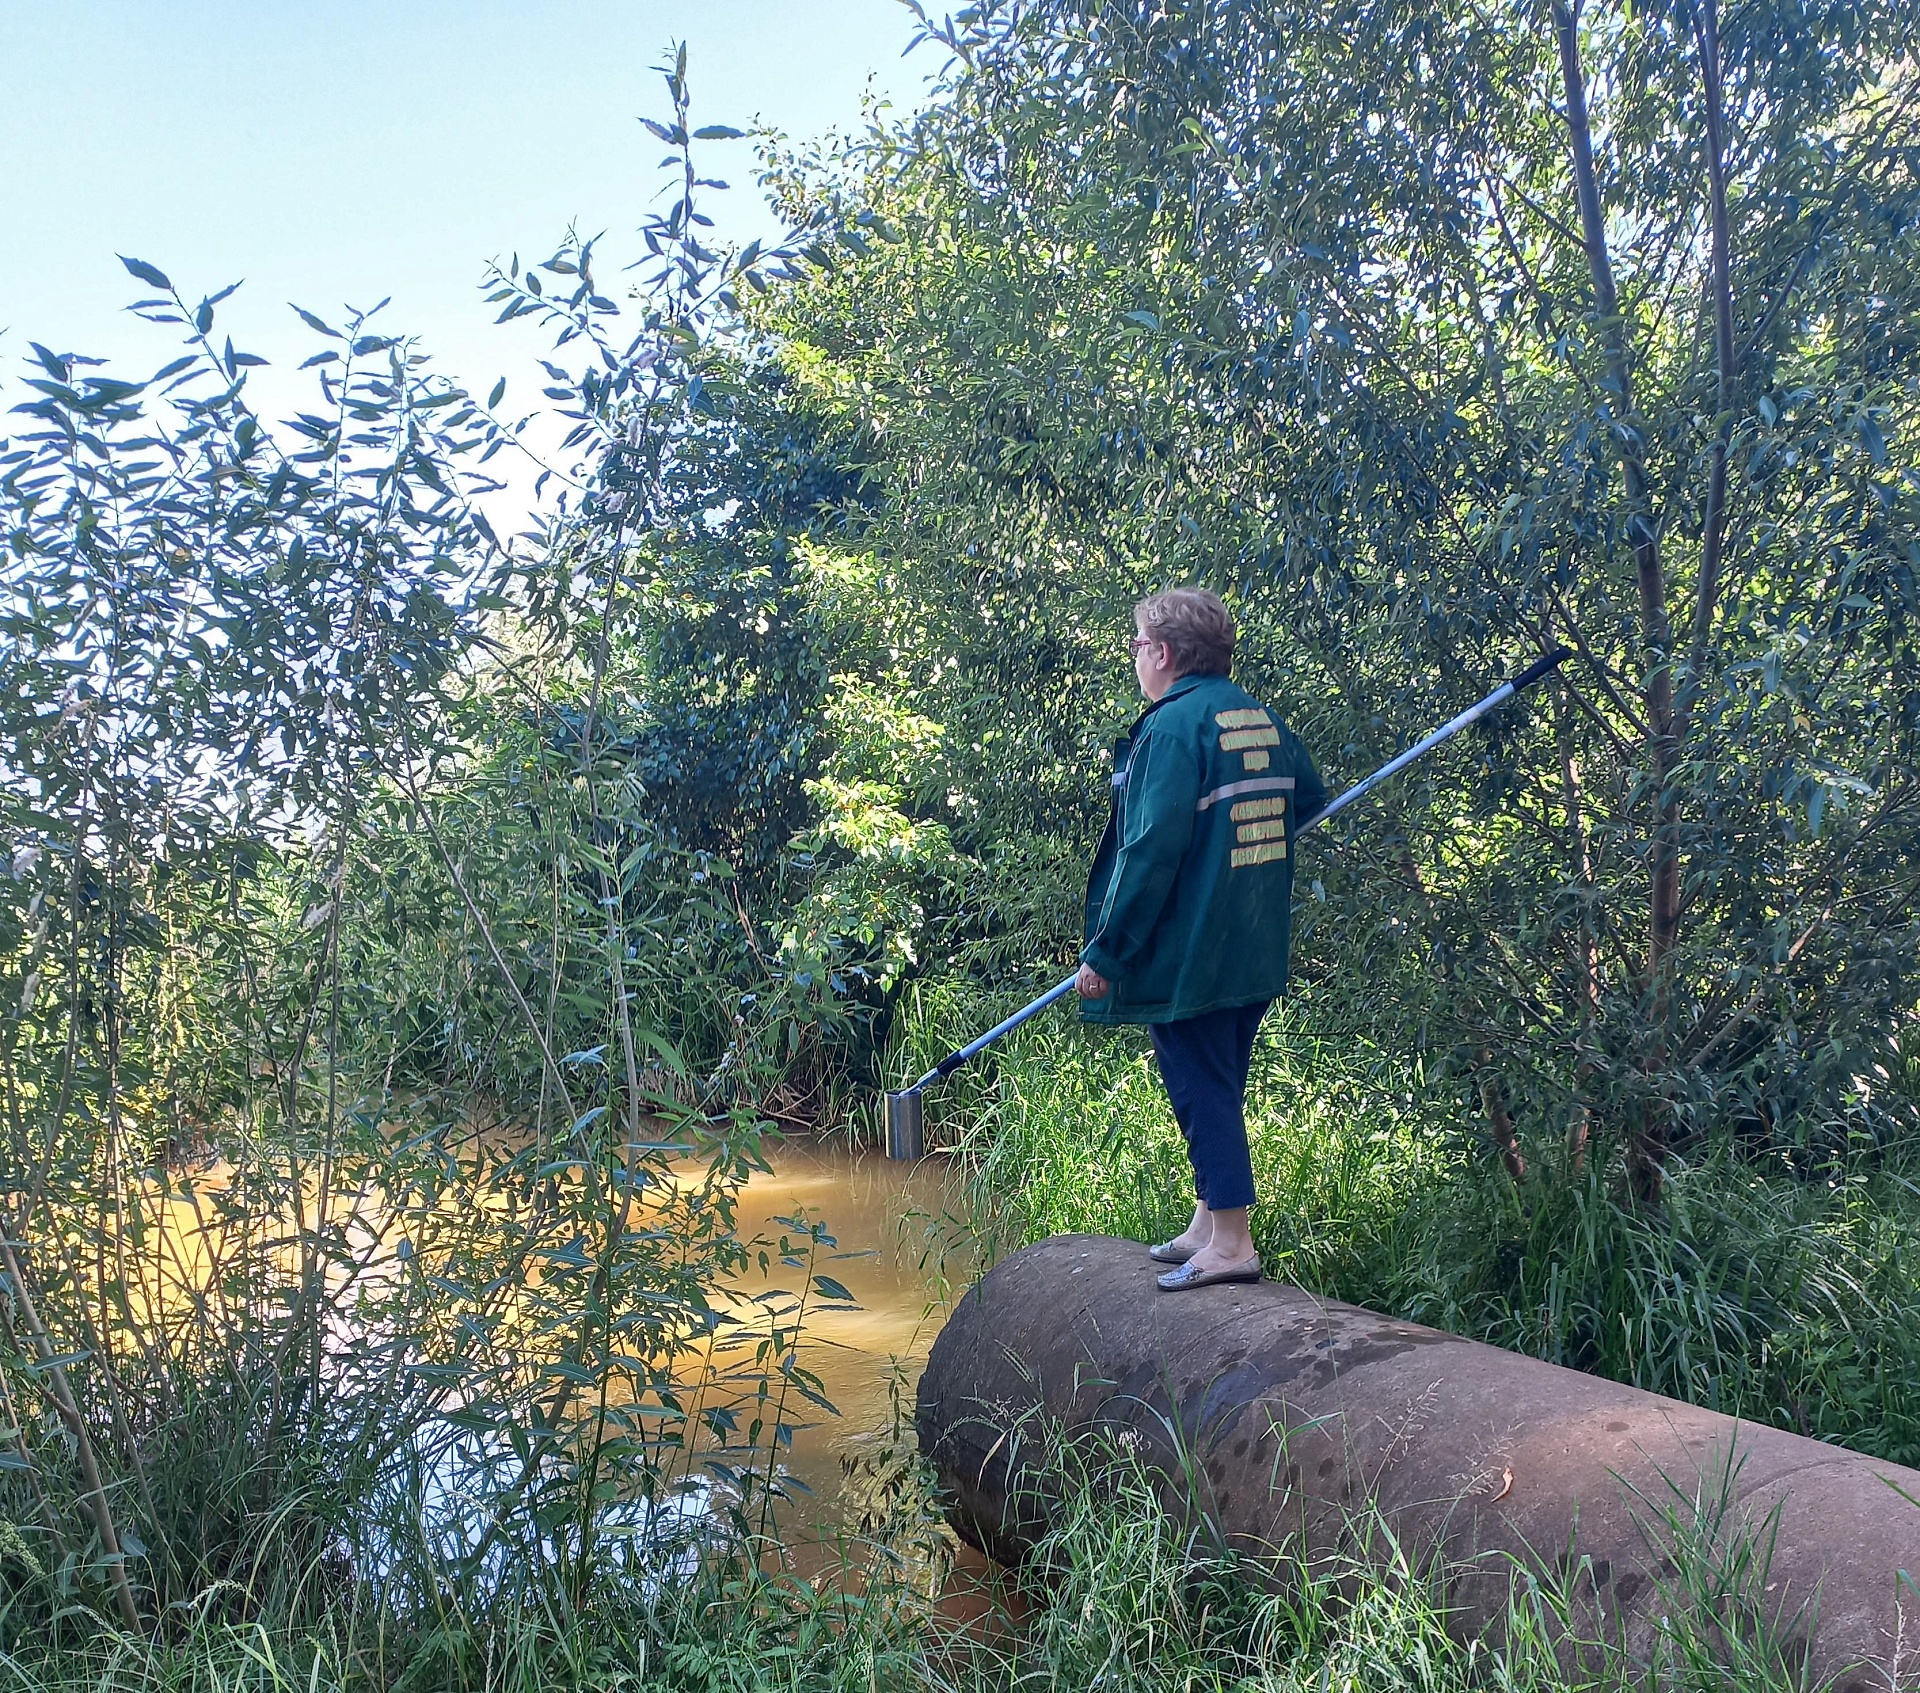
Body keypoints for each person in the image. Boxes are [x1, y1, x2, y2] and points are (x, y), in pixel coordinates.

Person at [1077, 587, 1325, 1291]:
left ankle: (1234, 1244)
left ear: (1162, 653)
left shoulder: (1171, 728)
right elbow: (1305, 796)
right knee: (1218, 1080)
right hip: (1253, 943)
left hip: (1192, 952)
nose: (1134, 658)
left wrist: (1107, 950)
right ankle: (1208, 1222)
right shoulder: (1256, 716)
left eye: (1135, 645)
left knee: (1199, 1087)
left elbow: (1149, 850)